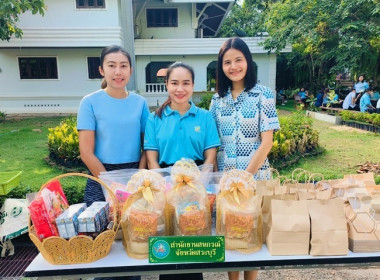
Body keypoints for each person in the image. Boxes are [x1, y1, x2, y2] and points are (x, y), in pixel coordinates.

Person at [209, 37, 280, 280]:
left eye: (238, 60)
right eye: (227, 62)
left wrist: (245, 178)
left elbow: (267, 141)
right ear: (221, 67)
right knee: (230, 231)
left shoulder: (263, 95)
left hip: (255, 177)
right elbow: (213, 141)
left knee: (252, 233)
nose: (233, 66)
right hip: (226, 180)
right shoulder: (217, 100)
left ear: (247, 61)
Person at [144, 62, 220, 280]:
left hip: (197, 185)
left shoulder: (204, 117)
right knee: (170, 246)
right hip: (167, 184)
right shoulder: (154, 118)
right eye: (174, 83)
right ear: (166, 85)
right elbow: (152, 160)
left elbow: (210, 157)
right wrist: (168, 188)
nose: (180, 88)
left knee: (192, 243)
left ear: (193, 85)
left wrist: (198, 188)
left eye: (186, 83)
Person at [77, 45, 149, 208]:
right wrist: (110, 186)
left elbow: (148, 147)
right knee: (102, 229)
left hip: (134, 174)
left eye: (123, 66)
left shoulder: (140, 103)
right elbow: (86, 153)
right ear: (102, 70)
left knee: (139, 227)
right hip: (100, 174)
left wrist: (138, 178)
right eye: (111, 65)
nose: (118, 72)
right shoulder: (89, 103)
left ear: (131, 70)